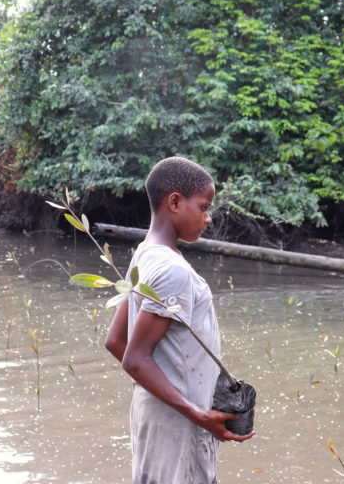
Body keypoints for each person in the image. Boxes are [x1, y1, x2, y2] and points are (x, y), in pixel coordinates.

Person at [105, 156, 254, 484]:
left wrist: (163, 385)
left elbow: (116, 342)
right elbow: (134, 357)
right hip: (179, 432)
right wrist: (197, 413)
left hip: (154, 417)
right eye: (203, 207)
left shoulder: (145, 254)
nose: (208, 218)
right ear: (175, 202)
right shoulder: (173, 271)